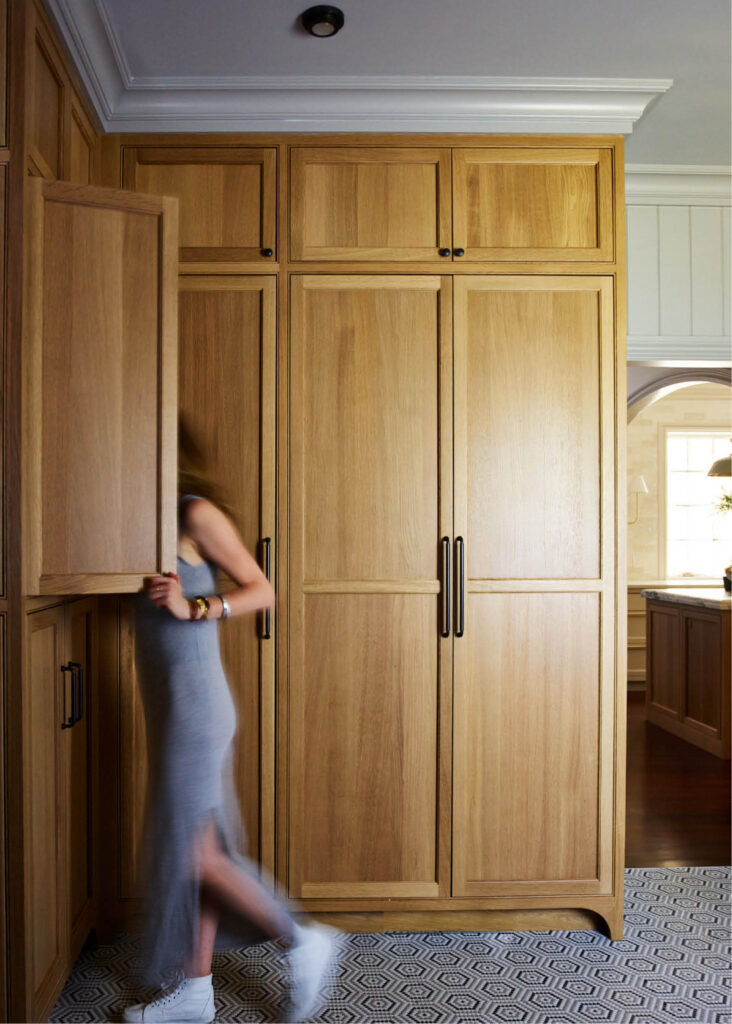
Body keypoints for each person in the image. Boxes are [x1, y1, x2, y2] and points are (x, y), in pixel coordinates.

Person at [123, 422, 339, 1024]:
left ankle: (301, 936)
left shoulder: (196, 513)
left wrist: (194, 606)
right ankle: (194, 994)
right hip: (174, 706)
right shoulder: (144, 525)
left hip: (198, 709)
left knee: (193, 853)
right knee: (201, 845)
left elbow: (262, 590)